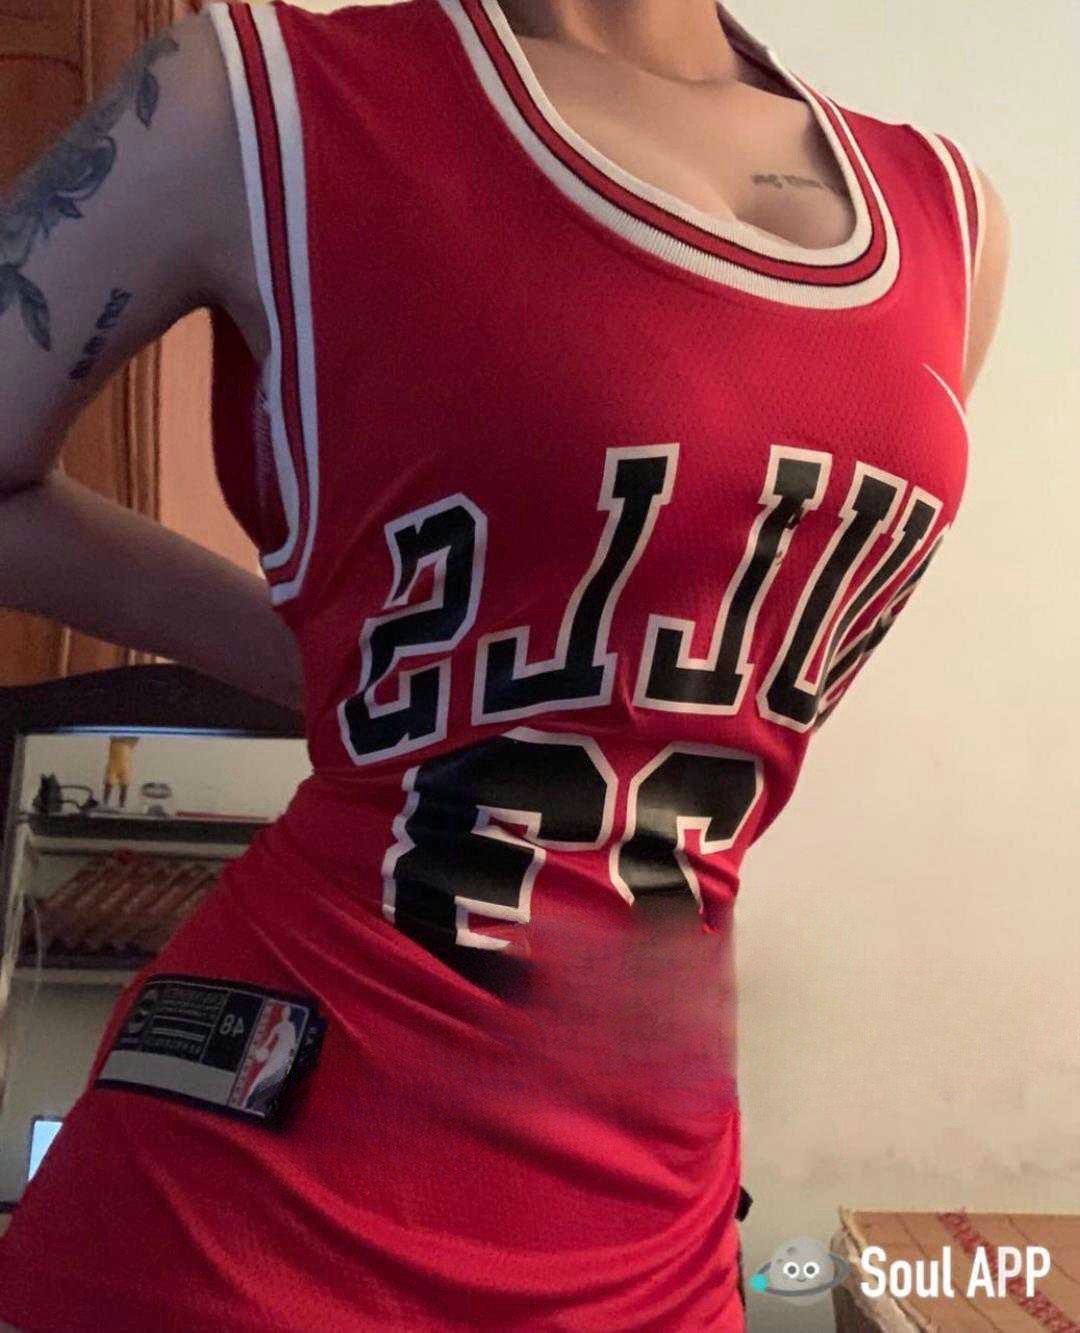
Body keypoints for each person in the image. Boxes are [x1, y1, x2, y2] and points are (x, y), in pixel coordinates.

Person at [0, 0, 1009, 1328]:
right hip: (260, 1222)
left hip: (654, 1205)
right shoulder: (259, 98)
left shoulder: (949, 218)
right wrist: (325, 664)